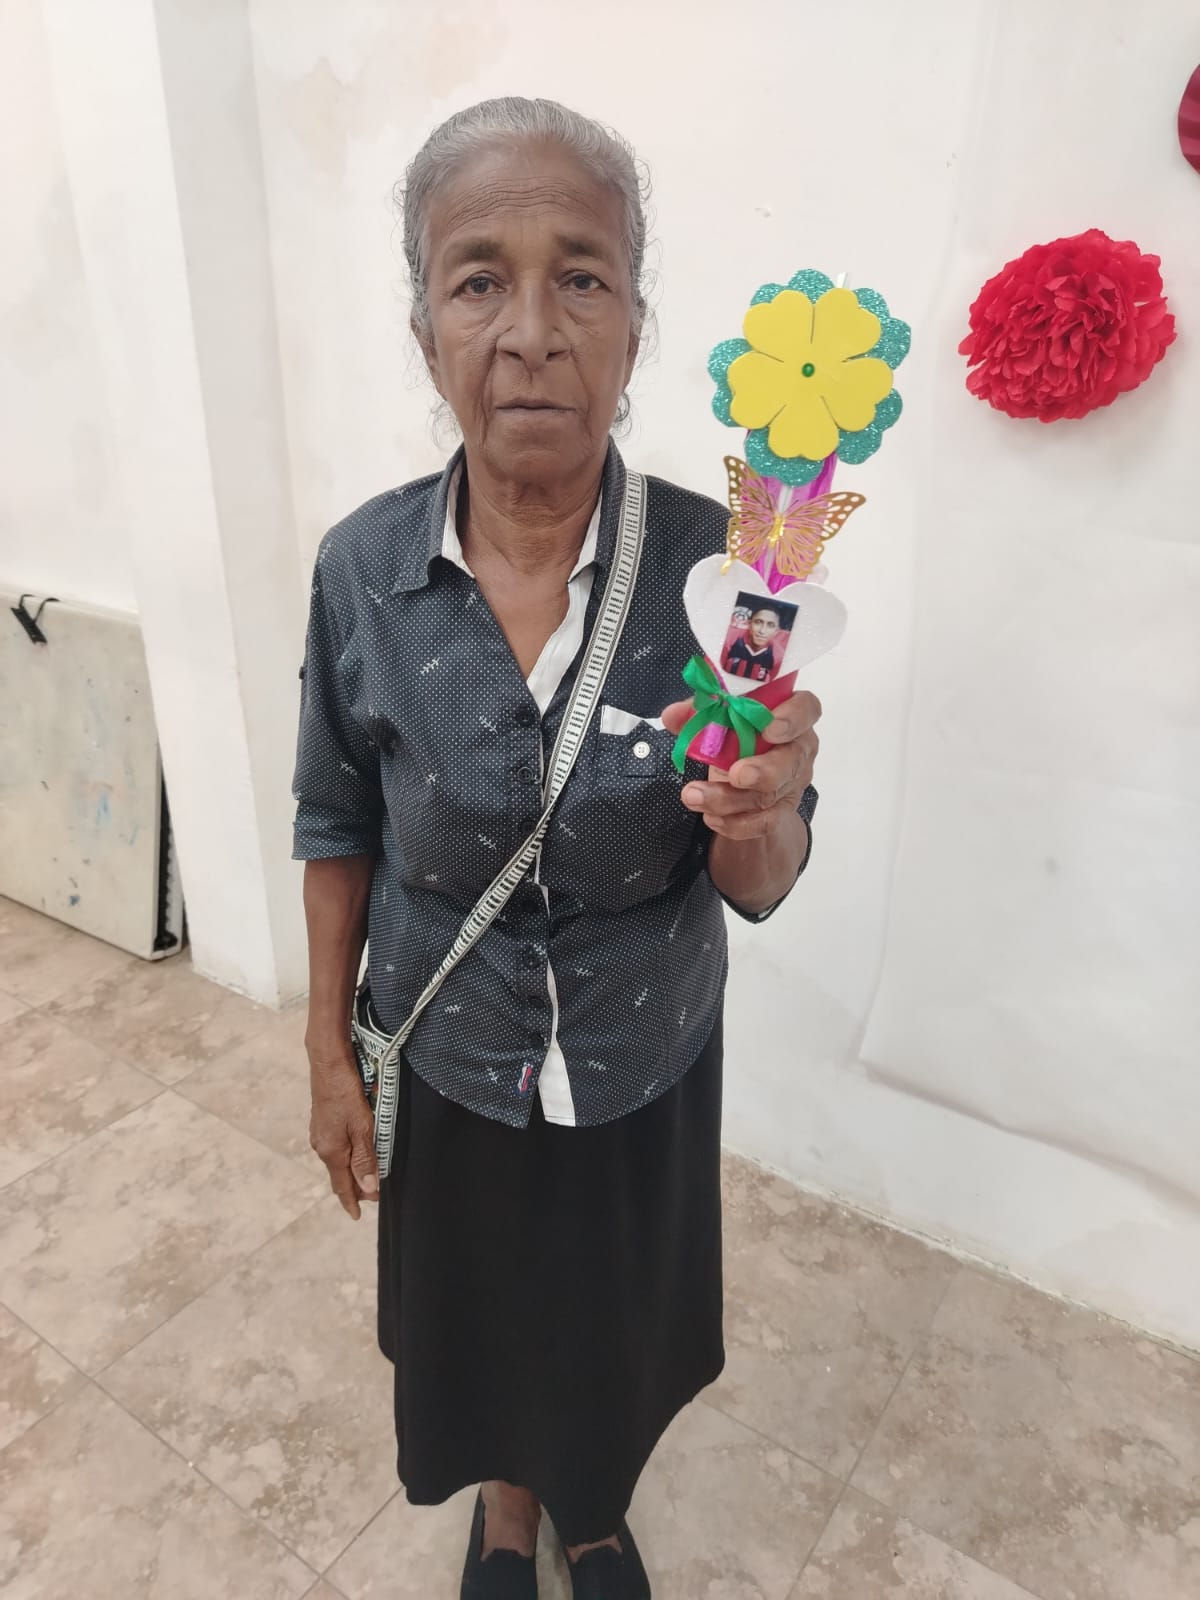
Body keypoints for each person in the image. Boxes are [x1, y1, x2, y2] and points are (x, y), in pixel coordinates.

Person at [292, 97, 821, 1600]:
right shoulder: (363, 570)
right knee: (483, 1314)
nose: (531, 330)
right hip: (448, 1045)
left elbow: (760, 885)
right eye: (480, 279)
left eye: (581, 275)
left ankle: (592, 1506)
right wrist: (328, 1051)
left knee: (607, 1316)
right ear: (426, 332)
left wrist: (765, 812)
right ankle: (508, 1507)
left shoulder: (730, 573)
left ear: (636, 326)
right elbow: (335, 816)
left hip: (638, 1048)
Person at [724, 602, 787, 682]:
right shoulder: (730, 640)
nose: (762, 631)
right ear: (749, 624)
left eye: (770, 625)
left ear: (776, 631)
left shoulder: (779, 656)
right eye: (758, 622)